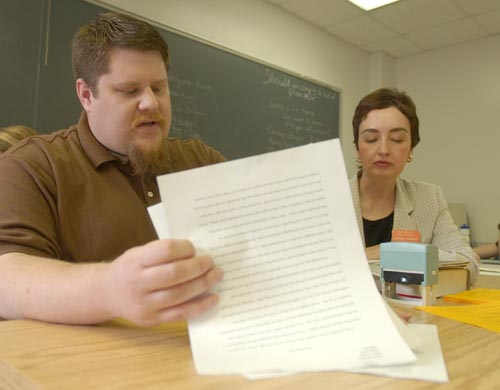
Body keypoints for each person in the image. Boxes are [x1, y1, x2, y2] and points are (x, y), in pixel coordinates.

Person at [0, 12, 225, 326]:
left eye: (159, 88)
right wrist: (109, 289)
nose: (151, 103)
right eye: (130, 91)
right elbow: (6, 280)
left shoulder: (202, 161)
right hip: (88, 369)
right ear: (86, 95)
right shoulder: (32, 166)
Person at [350, 88, 479, 283]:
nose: (383, 150)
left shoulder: (429, 198)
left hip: (412, 310)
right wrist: (378, 254)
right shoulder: (328, 200)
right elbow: (307, 274)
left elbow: (468, 263)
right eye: (371, 139)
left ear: (411, 149)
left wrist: (392, 254)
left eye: (396, 139)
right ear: (357, 148)